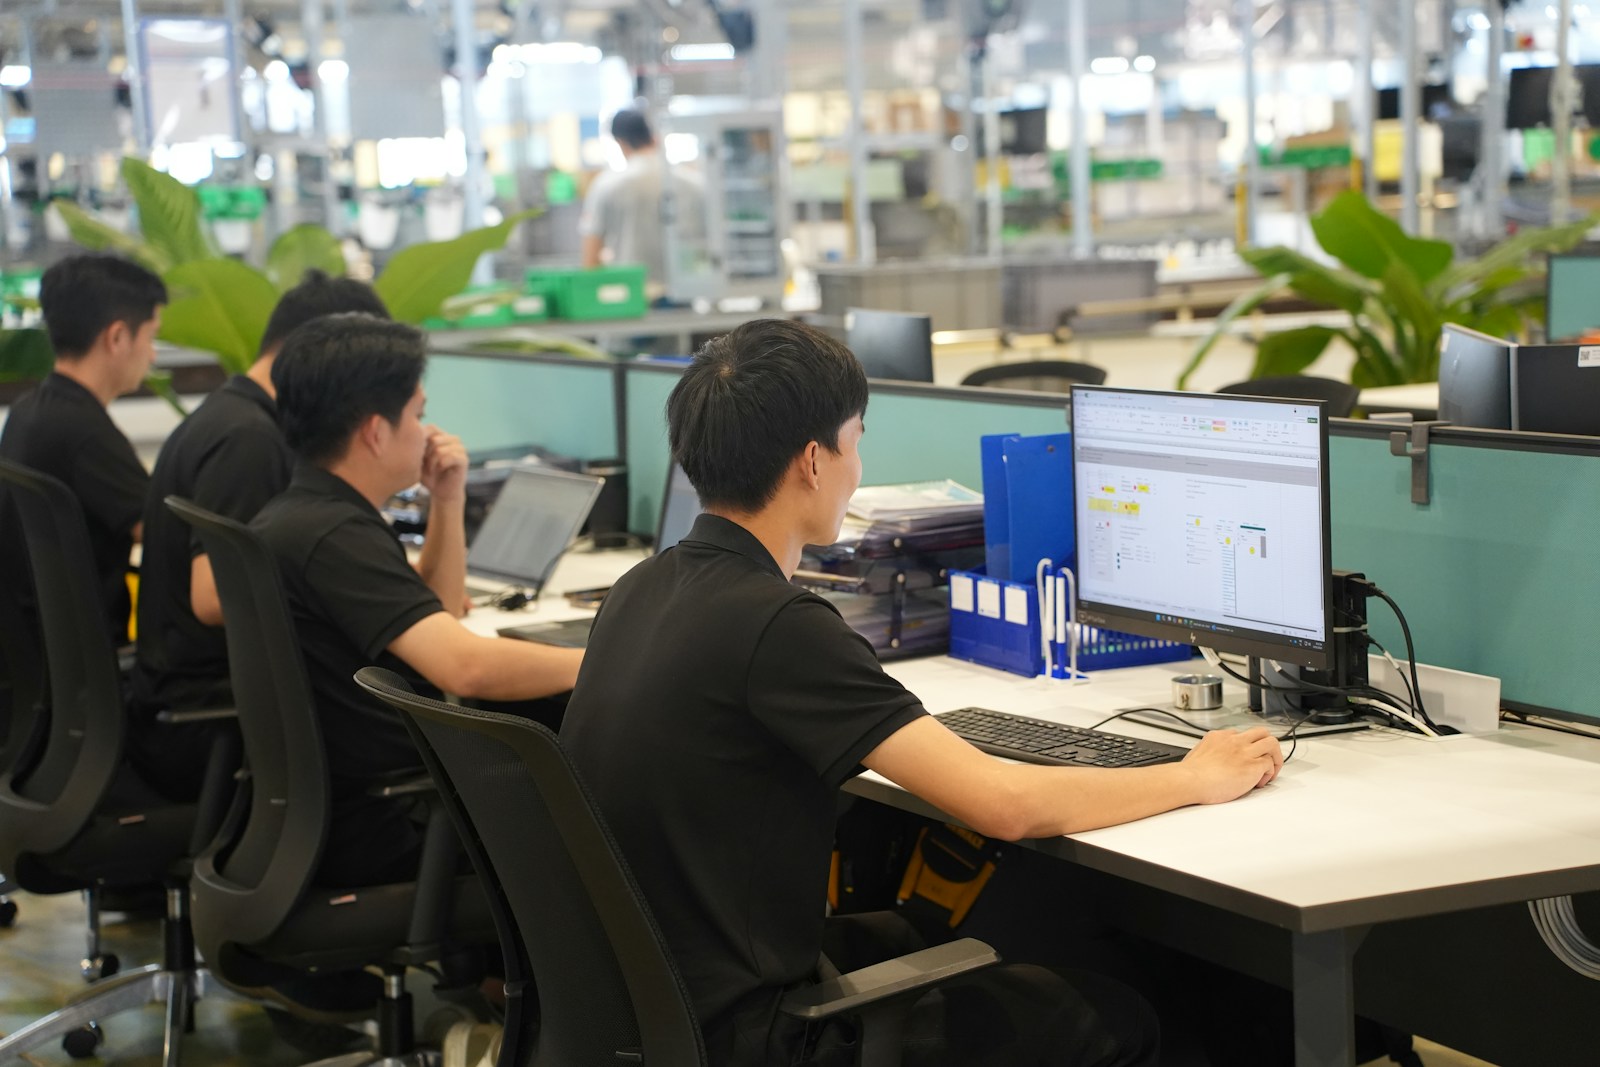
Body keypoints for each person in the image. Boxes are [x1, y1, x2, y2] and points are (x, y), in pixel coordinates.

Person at [559, 319, 1285, 1067]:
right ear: (813, 459)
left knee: (925, 935)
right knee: (1115, 1015)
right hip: (751, 1031)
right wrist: (1191, 775)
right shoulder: (778, 624)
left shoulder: (639, 588)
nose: (857, 465)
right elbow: (1004, 804)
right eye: (856, 439)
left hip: (653, 1004)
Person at [253, 313, 583, 887]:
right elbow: (467, 666)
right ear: (376, 432)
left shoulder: (303, 513)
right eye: (418, 413)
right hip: (389, 825)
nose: (428, 431)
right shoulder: (333, 538)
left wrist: (448, 500)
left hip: (338, 814)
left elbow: (441, 610)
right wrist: (605, 661)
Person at [128, 271, 391, 802]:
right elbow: (212, 597)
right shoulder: (248, 440)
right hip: (206, 719)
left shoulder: (230, 414)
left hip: (183, 701)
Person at [0, 253, 165, 645]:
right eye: (151, 336)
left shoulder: (30, 410)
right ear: (117, 337)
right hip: (87, 660)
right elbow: (162, 530)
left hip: (35, 659)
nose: (154, 354)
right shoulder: (86, 433)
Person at [579, 107, 707, 301]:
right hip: (687, 295)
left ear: (620, 142)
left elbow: (591, 257)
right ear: (653, 136)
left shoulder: (608, 185)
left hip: (632, 298)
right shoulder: (694, 182)